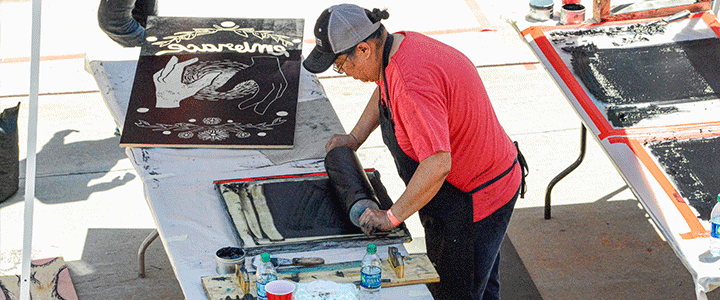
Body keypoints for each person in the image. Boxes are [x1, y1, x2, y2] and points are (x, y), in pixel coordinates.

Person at [303, 4, 528, 299]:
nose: (344, 72)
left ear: (363, 49)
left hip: (477, 199)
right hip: (466, 187)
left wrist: (391, 217)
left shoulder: (411, 84)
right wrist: (355, 137)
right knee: (479, 284)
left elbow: (437, 164)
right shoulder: (398, 48)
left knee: (459, 291)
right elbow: (384, 87)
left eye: (341, 64)